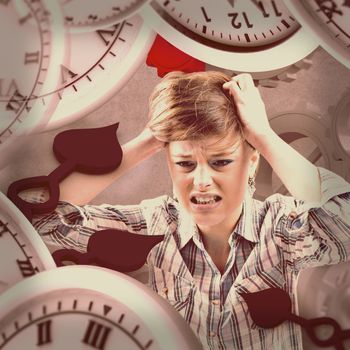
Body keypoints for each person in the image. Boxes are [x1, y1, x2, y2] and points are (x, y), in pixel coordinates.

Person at [31, 72, 350, 350]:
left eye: (221, 162)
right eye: (185, 164)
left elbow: (346, 220)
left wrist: (263, 136)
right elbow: (36, 218)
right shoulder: (153, 223)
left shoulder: (282, 227)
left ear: (252, 162)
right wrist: (150, 140)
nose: (201, 182)